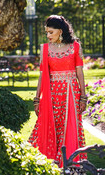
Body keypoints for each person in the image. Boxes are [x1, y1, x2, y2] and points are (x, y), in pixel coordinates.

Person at [29, 15, 87, 166]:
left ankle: (69, 162)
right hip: (52, 93)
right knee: (51, 126)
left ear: (60, 31)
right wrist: (37, 99)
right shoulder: (45, 49)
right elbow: (42, 75)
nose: (48, 36)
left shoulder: (75, 47)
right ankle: (49, 161)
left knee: (69, 126)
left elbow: (79, 72)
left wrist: (83, 97)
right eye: (46, 33)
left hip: (71, 93)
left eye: (51, 32)